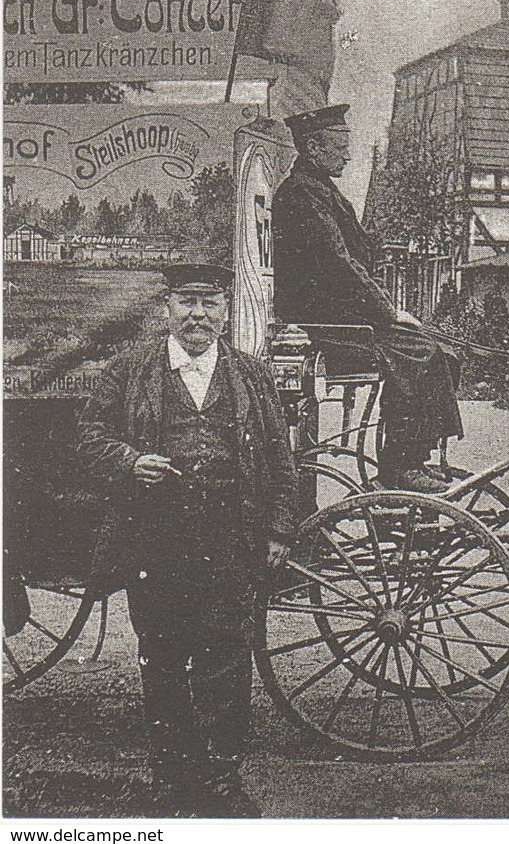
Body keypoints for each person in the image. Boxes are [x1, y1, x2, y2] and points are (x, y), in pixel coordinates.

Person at [78, 263, 295, 816]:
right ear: (166, 308)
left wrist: (277, 530)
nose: (198, 316)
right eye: (186, 303)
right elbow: (89, 436)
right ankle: (173, 779)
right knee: (164, 658)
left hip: (231, 541)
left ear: (226, 311)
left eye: (210, 304)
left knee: (227, 659)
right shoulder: (131, 370)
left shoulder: (251, 375)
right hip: (156, 541)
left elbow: (279, 459)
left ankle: (222, 779)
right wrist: (129, 462)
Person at [271, 103, 463, 493]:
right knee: (420, 352)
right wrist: (389, 313)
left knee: (444, 355)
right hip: (320, 322)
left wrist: (390, 312)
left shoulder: (320, 190)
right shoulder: (303, 194)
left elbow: (353, 262)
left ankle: (417, 456)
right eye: (339, 144)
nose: (348, 153)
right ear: (311, 147)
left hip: (338, 316)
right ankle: (399, 465)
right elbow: (338, 264)